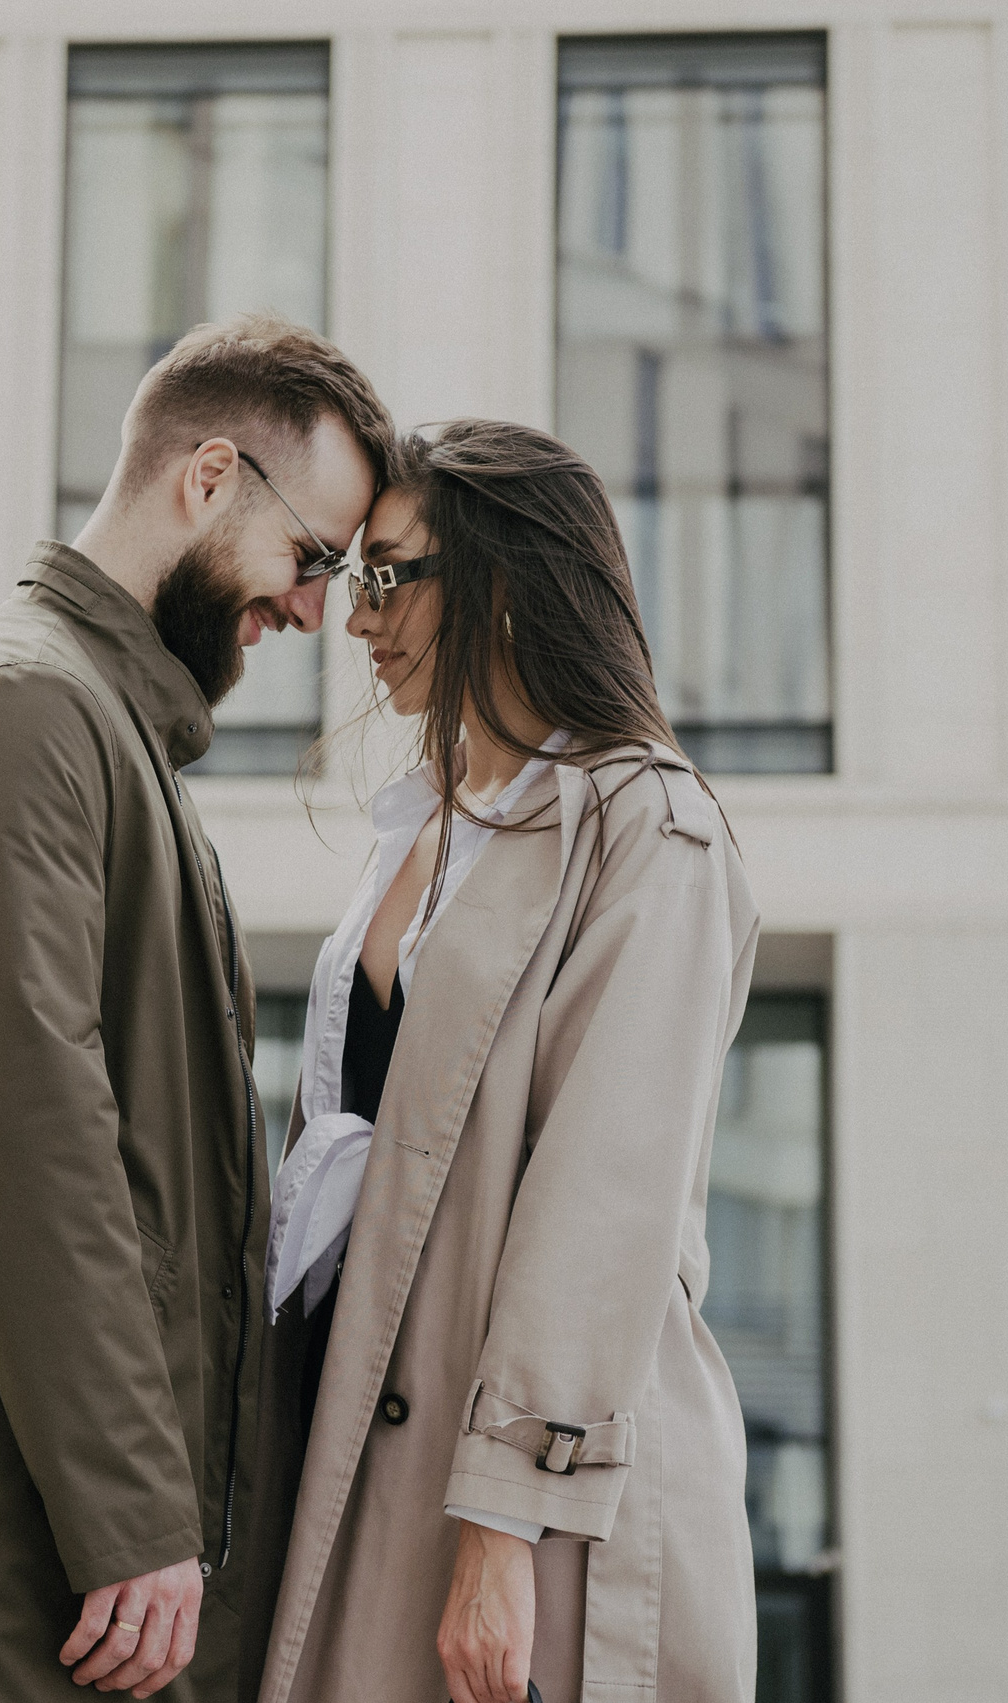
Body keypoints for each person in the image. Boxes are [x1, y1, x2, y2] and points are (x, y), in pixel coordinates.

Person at [0, 313, 395, 1703]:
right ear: (210, 477)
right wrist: (135, 1513)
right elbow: (28, 1135)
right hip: (17, 1582)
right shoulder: (20, 711)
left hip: (80, 1584)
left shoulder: (103, 733)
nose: (314, 612)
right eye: (312, 558)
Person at [256, 421, 761, 1703]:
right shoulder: (421, 825)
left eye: (387, 576)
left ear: (500, 584)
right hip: (375, 1438)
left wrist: (502, 1521)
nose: (356, 619)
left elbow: (604, 1196)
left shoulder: (651, 825)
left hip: (541, 1509)